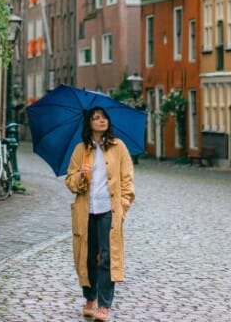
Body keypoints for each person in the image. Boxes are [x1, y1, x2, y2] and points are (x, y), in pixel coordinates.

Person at [64, 107, 135, 321]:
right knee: (86, 257)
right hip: (86, 211)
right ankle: (89, 298)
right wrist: (81, 177)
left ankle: (104, 305)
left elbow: (127, 181)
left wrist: (122, 207)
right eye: (96, 118)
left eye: (104, 117)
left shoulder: (119, 147)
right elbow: (70, 182)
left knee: (106, 258)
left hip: (108, 211)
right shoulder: (80, 150)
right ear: (89, 123)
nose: (101, 120)